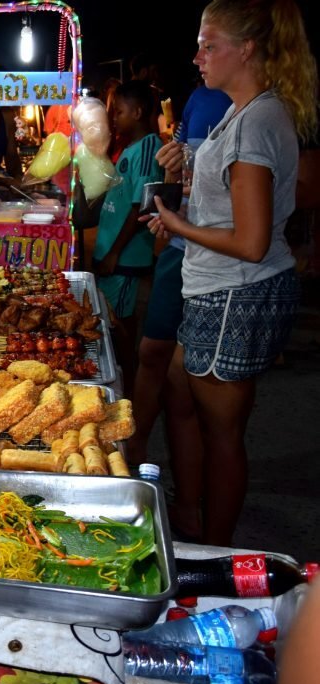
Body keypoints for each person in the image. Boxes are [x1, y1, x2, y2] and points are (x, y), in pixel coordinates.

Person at [143, 0, 315, 545]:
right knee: (177, 384)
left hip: (234, 292)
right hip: (215, 286)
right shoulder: (239, 113)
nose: (197, 57)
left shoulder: (257, 120)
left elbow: (250, 239)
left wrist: (177, 222)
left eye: (209, 45)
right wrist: (187, 178)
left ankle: (215, 553)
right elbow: (229, 206)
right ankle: (189, 512)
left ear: (246, 49)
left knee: (224, 434)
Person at [127, 84, 231, 527]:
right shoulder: (197, 99)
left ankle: (197, 512)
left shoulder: (259, 111)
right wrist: (176, 170)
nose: (197, 57)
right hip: (179, 254)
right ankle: (135, 463)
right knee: (155, 359)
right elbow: (181, 178)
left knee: (195, 395)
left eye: (209, 45)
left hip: (221, 269)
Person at [86, 80, 163, 397]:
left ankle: (129, 391)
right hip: (111, 253)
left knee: (121, 327)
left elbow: (139, 208)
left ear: (139, 111)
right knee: (109, 323)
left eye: (118, 111)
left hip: (126, 258)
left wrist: (115, 254)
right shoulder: (130, 148)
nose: (113, 118)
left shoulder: (147, 148)